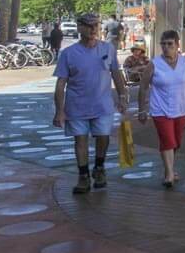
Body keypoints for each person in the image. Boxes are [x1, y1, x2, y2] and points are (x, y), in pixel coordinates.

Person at [52, 13, 128, 194]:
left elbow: (116, 74)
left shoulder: (108, 49)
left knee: (103, 136)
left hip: (102, 105)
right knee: (80, 140)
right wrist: (59, 111)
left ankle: (99, 167)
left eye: (96, 25)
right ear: (79, 28)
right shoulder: (68, 54)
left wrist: (123, 96)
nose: (93, 29)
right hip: (76, 106)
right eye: (88, 25)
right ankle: (83, 175)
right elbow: (61, 83)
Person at [136, 30, 185, 188]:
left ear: (177, 45)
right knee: (167, 140)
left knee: (176, 141)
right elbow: (143, 87)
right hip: (160, 108)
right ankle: (169, 174)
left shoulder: (184, 62)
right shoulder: (154, 64)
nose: (166, 47)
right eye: (163, 44)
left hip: (181, 107)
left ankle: (170, 169)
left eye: (170, 44)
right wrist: (142, 110)